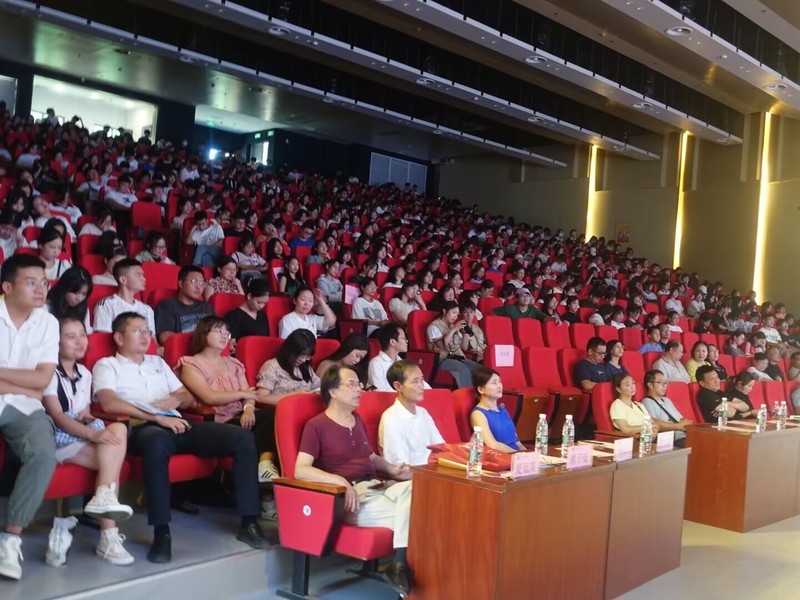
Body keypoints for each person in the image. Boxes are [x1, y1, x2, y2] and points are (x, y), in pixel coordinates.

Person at [93, 312, 268, 563]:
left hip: (177, 422)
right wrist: (157, 418)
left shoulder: (157, 362)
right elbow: (109, 403)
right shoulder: (107, 365)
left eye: (148, 331)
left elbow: (186, 396)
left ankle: (249, 522)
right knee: (157, 442)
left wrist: (177, 399)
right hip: (141, 428)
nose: (146, 336)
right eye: (138, 331)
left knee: (241, 438)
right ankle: (161, 532)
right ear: (119, 338)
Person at [294, 365, 413, 596]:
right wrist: (340, 481)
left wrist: (392, 468)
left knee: (415, 489)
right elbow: (300, 470)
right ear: (332, 391)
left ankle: (398, 565)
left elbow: (370, 457)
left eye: (359, 384)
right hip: (353, 499)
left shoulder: (356, 420)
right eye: (352, 384)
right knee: (422, 517)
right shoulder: (316, 425)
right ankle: (403, 573)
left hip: (379, 487)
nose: (359, 389)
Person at [42, 316, 134, 567]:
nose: (80, 341)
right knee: (113, 461)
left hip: (80, 434)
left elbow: (83, 411)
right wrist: (94, 434)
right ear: (56, 342)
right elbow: (58, 417)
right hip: (58, 439)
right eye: (71, 336)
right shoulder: (48, 372)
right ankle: (108, 535)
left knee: (118, 429)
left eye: (82, 335)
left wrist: (90, 421)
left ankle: (104, 502)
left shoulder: (85, 373)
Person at [0, 255, 59, 580]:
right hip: (25, 396)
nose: (40, 289)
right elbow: (34, 382)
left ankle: (10, 539)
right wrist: (25, 384)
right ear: (7, 287)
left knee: (43, 454)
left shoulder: (48, 322)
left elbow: (43, 379)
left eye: (44, 283)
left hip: (25, 406)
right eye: (31, 282)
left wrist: (19, 384)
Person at [176, 316, 278, 481]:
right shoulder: (191, 364)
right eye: (219, 331)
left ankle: (264, 467)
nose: (225, 336)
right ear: (204, 333)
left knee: (273, 415)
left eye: (227, 332)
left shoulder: (234, 363)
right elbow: (209, 397)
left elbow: (249, 394)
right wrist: (241, 394)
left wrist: (248, 409)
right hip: (216, 421)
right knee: (256, 432)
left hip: (241, 417)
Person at [379, 360, 444, 465]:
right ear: (398, 386)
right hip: (413, 473)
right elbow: (400, 464)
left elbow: (440, 447)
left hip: (434, 469)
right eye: (415, 381)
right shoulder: (391, 419)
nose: (421, 386)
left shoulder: (423, 413)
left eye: (422, 380)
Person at [256, 329, 321, 404]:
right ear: (290, 350)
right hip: (280, 409)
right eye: (301, 355)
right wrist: (294, 396)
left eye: (308, 356)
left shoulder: (305, 367)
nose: (303, 360)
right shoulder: (272, 366)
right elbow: (261, 398)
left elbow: (319, 386)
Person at [93, 259, 155, 337]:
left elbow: (152, 340)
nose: (144, 279)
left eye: (143, 275)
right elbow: (103, 337)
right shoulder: (106, 305)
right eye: (138, 275)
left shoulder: (147, 309)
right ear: (123, 280)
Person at [469, 365, 525, 452]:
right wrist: (518, 455)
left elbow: (517, 442)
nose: (499, 386)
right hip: (502, 456)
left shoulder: (502, 410)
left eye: (499, 381)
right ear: (481, 389)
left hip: (517, 455)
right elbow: (492, 444)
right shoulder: (478, 414)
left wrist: (529, 454)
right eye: (494, 383)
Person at [154, 265, 215, 345]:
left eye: (202, 283)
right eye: (194, 281)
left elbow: (217, 330)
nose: (198, 287)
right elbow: (164, 337)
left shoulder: (206, 307)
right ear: (181, 284)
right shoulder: (167, 305)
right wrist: (197, 341)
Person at [426, 301, 480, 389]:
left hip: (457, 357)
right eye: (453, 313)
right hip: (441, 359)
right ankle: (466, 395)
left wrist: (465, 333)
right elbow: (442, 345)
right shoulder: (434, 326)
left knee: (477, 368)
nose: (455, 316)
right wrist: (454, 329)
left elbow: (464, 347)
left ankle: (479, 393)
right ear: (444, 311)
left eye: (457, 314)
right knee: (463, 368)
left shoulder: (453, 326)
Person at [640, 369, 692, 448]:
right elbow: (654, 423)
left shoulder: (667, 400)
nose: (664, 386)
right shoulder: (647, 401)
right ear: (650, 385)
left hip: (684, 434)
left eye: (665, 382)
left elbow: (680, 418)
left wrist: (684, 422)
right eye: (660, 382)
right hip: (672, 439)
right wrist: (678, 426)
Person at [224, 277, 270, 351]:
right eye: (259, 302)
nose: (261, 306)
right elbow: (231, 344)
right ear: (249, 296)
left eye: (264, 303)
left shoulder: (263, 316)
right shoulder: (233, 316)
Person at [46, 266, 93, 333]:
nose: (79, 298)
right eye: (76, 293)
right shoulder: (47, 307)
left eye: (84, 294)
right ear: (64, 288)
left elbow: (86, 331)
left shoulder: (84, 309)